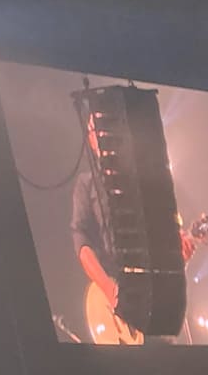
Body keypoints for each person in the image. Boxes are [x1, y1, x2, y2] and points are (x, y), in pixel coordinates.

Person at [72, 114, 198, 341]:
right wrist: (111, 291)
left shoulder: (144, 183)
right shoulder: (86, 183)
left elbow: (164, 258)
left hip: (155, 310)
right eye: (94, 129)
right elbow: (81, 243)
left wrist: (180, 259)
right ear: (89, 139)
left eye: (106, 126)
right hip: (114, 303)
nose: (101, 134)